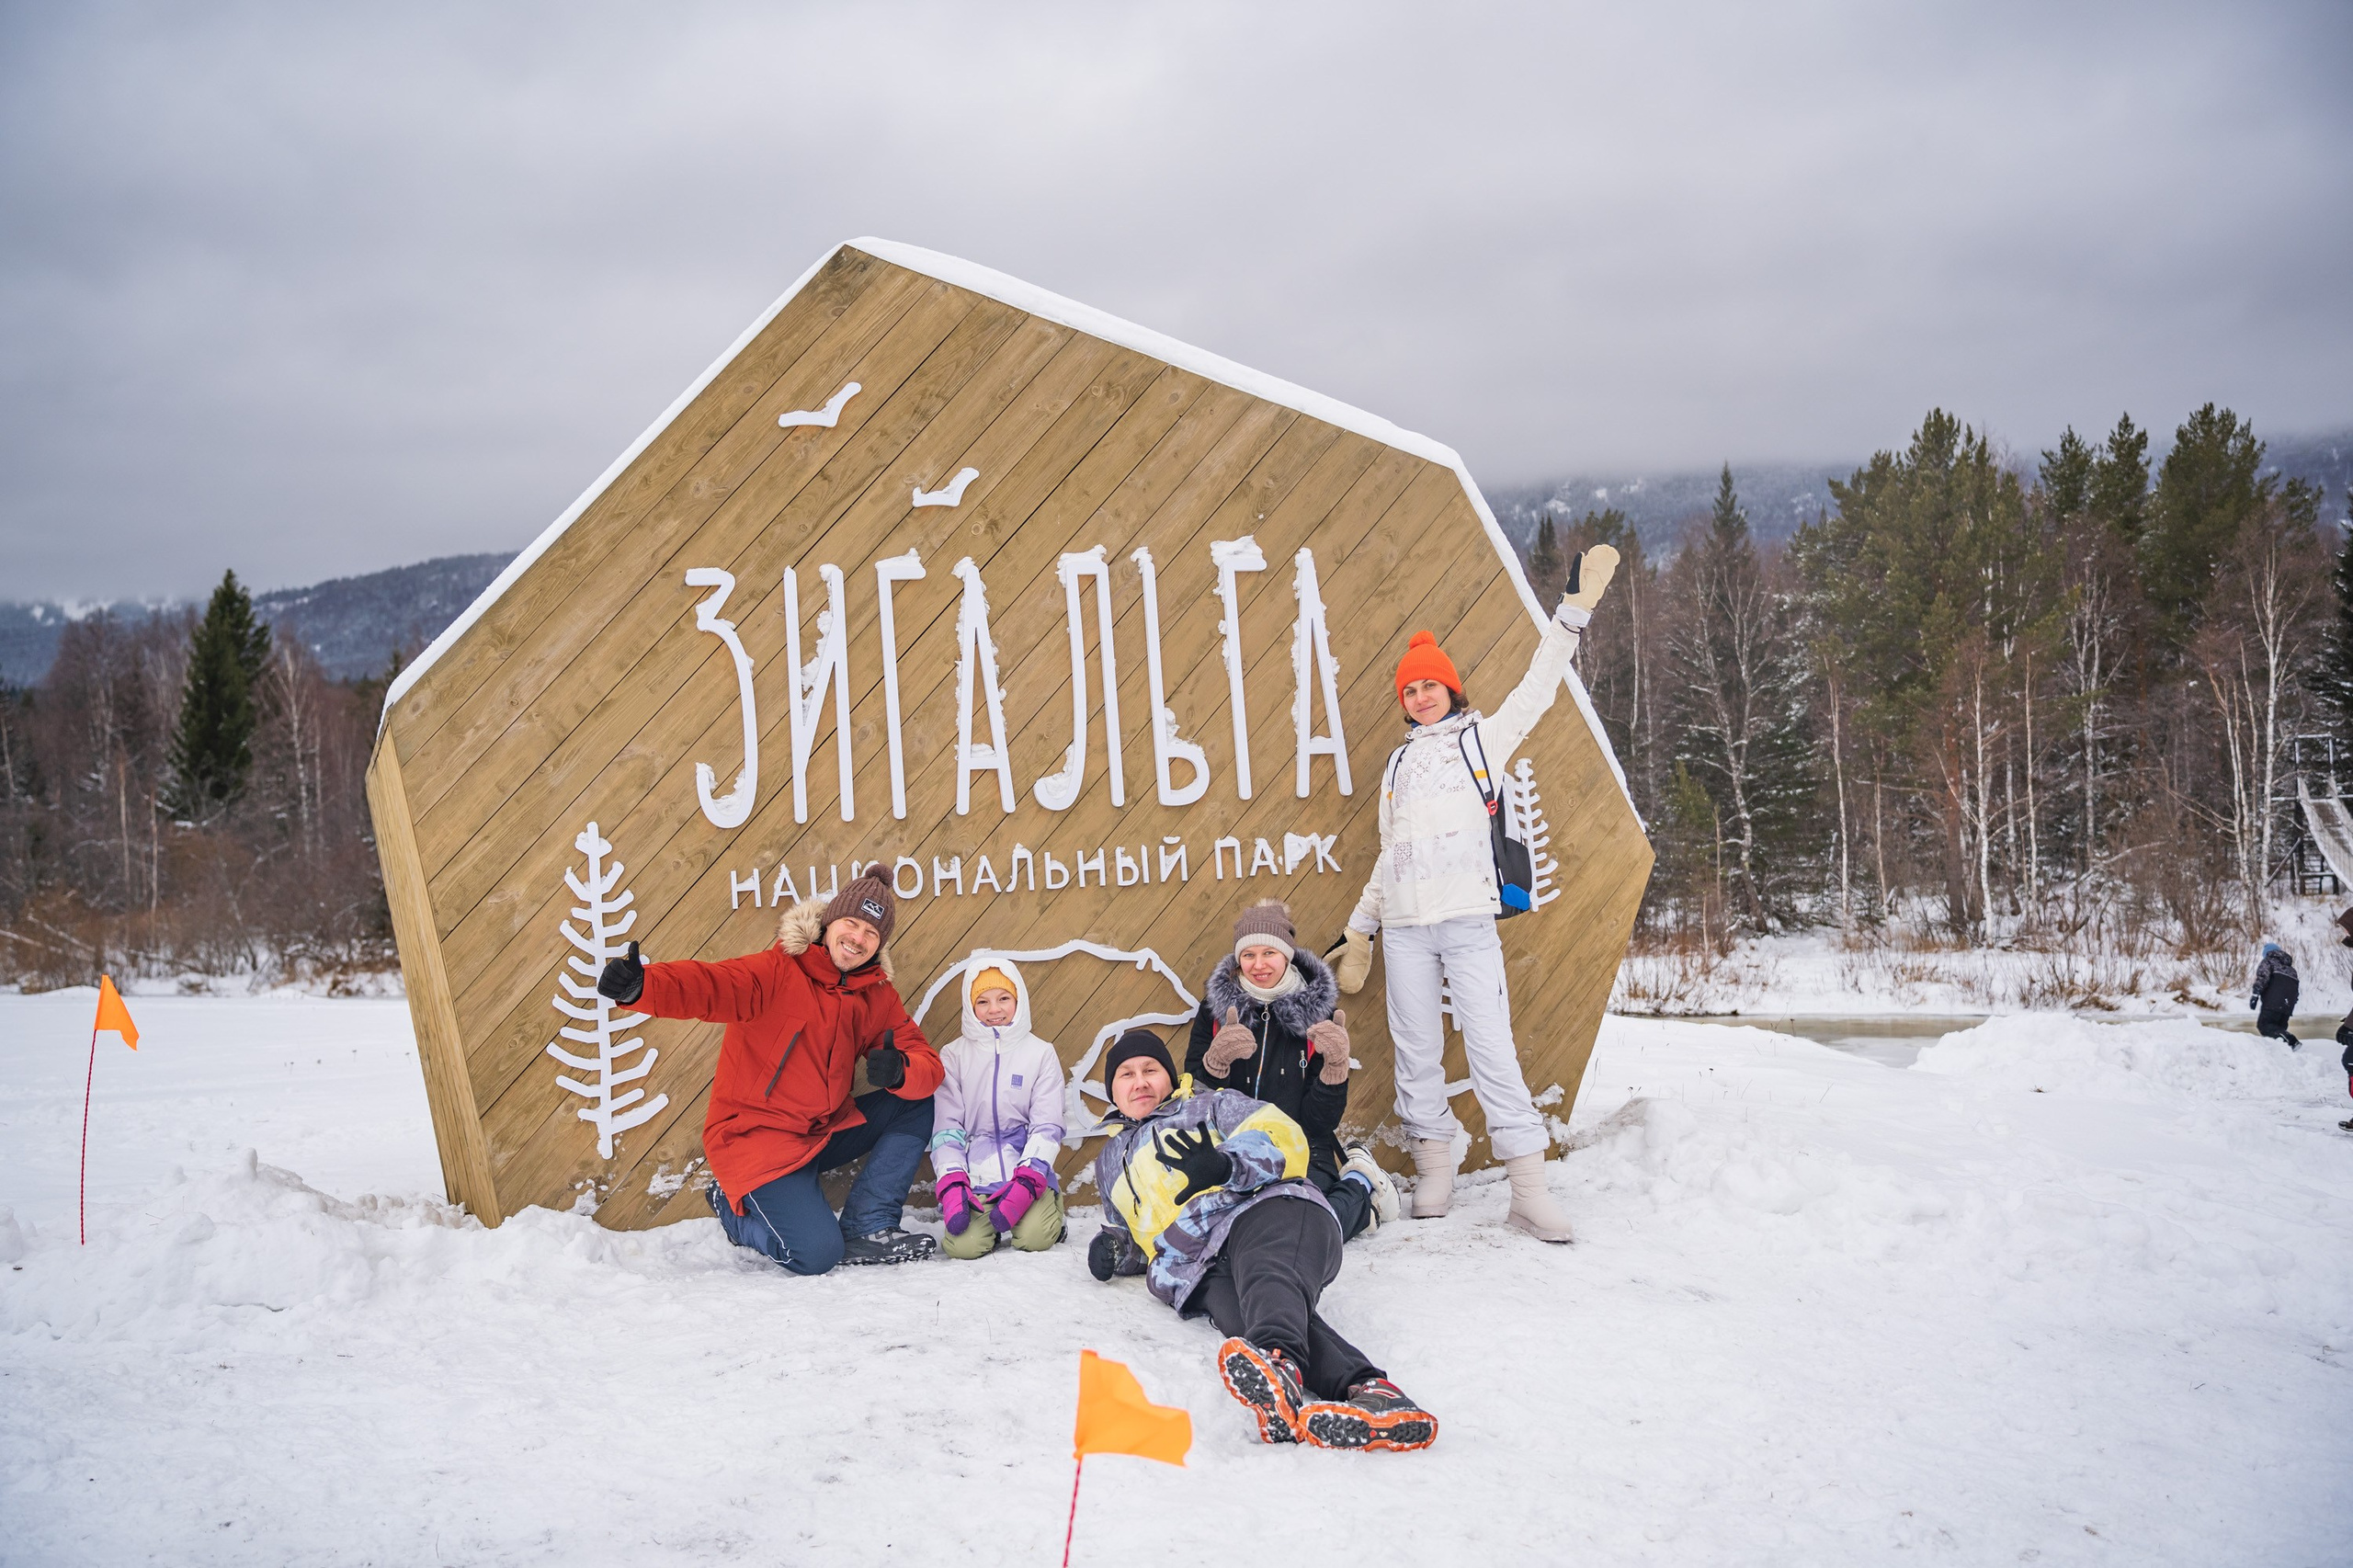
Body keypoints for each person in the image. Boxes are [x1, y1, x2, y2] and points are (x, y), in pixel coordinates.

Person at [1332, 545, 1620, 1243]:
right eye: (1410, 690)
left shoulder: (1482, 741)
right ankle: (1437, 1164)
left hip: (1465, 923)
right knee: (1416, 1048)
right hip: (1404, 930)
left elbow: (1538, 685)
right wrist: (1362, 926)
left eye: (1430, 686)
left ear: (1451, 690)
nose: (1421, 696)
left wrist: (1572, 615)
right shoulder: (1397, 765)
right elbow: (1389, 854)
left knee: (1492, 1048)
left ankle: (1527, 1186)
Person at [1086, 1028, 1438, 1451]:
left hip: (1268, 1210)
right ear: (1112, 1090)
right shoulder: (1109, 1163)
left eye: (1150, 1069)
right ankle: (1372, 1394)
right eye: (1126, 1074)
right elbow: (1133, 1235)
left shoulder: (1209, 1104)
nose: (1140, 1081)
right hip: (1198, 1264)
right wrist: (1115, 1251)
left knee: (1269, 1282)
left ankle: (1278, 1363)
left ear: (1169, 1076)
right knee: (1250, 1318)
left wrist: (1223, 1164)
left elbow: (1282, 1136)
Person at [597, 871, 944, 1272]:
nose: (857, 938)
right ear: (829, 922)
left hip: (821, 1131)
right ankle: (734, 1211)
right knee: (816, 1255)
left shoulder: (876, 995)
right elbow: (710, 985)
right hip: (758, 1142)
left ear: (879, 943)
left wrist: (901, 1071)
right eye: (851, 923)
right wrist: (642, 987)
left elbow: (925, 1062)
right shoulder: (776, 971)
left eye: (871, 932)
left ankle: (869, 1225)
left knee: (915, 1102)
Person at [1186, 899, 1400, 1240]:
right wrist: (1215, 1065)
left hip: (1299, 1146)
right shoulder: (1215, 1012)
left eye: (1268, 953)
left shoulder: (1317, 1014)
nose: (1259, 965)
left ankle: (1358, 1184)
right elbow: (1193, 1103)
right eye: (1249, 955)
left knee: (1298, 1231)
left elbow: (1319, 1122)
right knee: (1212, 1228)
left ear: (1286, 955)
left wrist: (1334, 1069)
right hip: (1230, 1145)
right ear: (1238, 961)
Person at [929, 956, 1066, 1258]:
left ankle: (1050, 1212)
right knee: (962, 1246)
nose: (994, 1010)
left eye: (1004, 998)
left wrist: (1028, 1181)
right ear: (969, 1005)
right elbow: (946, 1128)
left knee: (1036, 1238)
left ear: (1018, 999)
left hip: (1026, 1167)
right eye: (983, 1001)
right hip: (976, 1173)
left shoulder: (1040, 1053)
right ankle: (987, 1224)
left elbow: (1047, 1126)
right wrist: (953, 1182)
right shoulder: (954, 1055)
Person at [2250, 939, 2301, 1050]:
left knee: (2264, 1026)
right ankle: (2284, 1054)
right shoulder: (2291, 969)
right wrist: (2290, 1003)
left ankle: (2292, 1042)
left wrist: (2255, 995)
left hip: (2273, 1003)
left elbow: (2262, 978)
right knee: (2278, 1031)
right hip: (2288, 1006)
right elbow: (2296, 991)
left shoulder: (2268, 962)